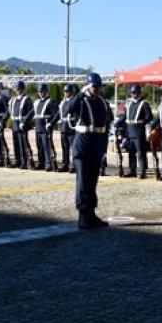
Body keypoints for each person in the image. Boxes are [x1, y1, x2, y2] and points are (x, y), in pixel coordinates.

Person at [66, 73, 111, 229]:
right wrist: (80, 93)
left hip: (96, 147)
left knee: (92, 182)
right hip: (83, 147)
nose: (97, 89)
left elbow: (106, 128)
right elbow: (68, 108)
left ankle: (91, 214)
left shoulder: (103, 103)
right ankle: (83, 216)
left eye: (98, 86)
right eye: (93, 86)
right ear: (87, 86)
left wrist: (104, 150)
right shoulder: (81, 101)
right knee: (83, 183)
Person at [122, 84, 153, 178]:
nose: (133, 95)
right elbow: (125, 117)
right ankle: (132, 170)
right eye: (132, 93)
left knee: (141, 152)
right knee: (131, 153)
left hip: (139, 131)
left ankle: (143, 171)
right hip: (129, 131)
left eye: (134, 93)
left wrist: (142, 122)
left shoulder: (144, 104)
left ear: (139, 93)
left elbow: (149, 117)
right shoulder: (129, 104)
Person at [33, 83, 59, 171]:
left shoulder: (50, 101)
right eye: (39, 91)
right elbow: (32, 113)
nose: (41, 93)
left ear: (46, 92)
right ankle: (41, 162)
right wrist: (25, 121)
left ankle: (49, 163)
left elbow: (56, 114)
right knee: (39, 146)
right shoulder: (37, 102)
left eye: (42, 91)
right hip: (38, 127)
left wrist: (51, 123)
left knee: (47, 146)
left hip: (45, 128)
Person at [9, 81, 34, 169]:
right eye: (16, 89)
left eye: (18, 89)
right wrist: (2, 121)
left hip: (22, 125)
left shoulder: (27, 99)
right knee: (15, 144)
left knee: (22, 144)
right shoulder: (13, 99)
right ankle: (17, 161)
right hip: (14, 124)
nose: (17, 90)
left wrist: (25, 121)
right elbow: (8, 112)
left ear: (22, 89)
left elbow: (31, 111)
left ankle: (24, 161)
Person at [58, 83, 77, 173]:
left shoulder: (74, 101)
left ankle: (74, 165)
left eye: (67, 91)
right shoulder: (62, 102)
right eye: (65, 91)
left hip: (71, 127)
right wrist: (51, 123)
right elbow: (58, 114)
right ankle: (65, 164)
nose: (66, 93)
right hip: (63, 128)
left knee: (73, 148)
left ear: (72, 92)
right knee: (64, 148)